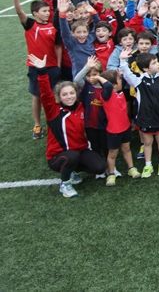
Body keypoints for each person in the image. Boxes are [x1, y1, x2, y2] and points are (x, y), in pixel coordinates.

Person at [29, 54, 105, 198]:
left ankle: (72, 171)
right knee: (72, 156)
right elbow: (45, 94)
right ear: (59, 97)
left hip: (80, 151)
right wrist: (42, 72)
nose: (69, 96)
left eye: (71, 93)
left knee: (99, 166)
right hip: (58, 156)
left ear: (76, 94)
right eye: (65, 94)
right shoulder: (53, 111)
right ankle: (65, 184)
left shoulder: (81, 107)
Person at [8, 0, 59, 140]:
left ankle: (53, 123)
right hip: (35, 68)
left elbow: (58, 47)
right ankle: (37, 125)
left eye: (48, 11)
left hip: (52, 68)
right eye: (44, 11)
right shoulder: (30, 25)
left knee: (53, 96)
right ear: (35, 13)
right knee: (37, 96)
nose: (47, 13)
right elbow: (19, 12)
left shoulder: (53, 26)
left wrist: (57, 65)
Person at [119, 49, 159, 178]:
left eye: (157, 61)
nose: (158, 64)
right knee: (147, 143)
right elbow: (127, 73)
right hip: (145, 119)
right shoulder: (139, 80)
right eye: (154, 63)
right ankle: (148, 165)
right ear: (145, 68)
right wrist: (122, 60)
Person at [97, 69, 141, 184]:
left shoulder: (119, 92)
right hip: (114, 131)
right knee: (112, 154)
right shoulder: (106, 95)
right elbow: (107, 86)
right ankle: (111, 173)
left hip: (125, 128)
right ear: (113, 84)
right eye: (119, 79)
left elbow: (125, 81)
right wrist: (98, 77)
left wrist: (120, 73)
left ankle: (131, 168)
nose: (121, 80)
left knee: (127, 149)